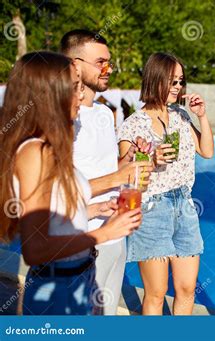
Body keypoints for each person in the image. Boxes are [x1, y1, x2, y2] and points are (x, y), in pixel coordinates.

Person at [0, 51, 142, 315]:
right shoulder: (34, 153)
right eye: (74, 88)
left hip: (80, 280)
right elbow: (36, 248)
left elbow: (56, 218)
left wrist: (96, 210)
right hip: (56, 289)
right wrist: (105, 234)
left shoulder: (51, 148)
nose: (81, 96)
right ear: (49, 95)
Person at [60, 30, 153, 315]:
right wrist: (117, 177)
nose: (108, 69)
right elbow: (56, 189)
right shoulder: (62, 118)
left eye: (109, 62)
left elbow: (104, 165)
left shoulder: (103, 112)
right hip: (81, 240)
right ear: (75, 65)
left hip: (115, 234)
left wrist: (127, 160)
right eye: (101, 62)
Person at [117, 52, 214, 315]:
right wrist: (151, 157)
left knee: (186, 290)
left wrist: (202, 116)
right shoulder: (133, 125)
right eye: (172, 82)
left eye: (181, 81)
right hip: (151, 209)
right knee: (156, 294)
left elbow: (206, 151)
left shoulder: (181, 116)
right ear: (156, 79)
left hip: (185, 206)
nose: (178, 87)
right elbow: (125, 175)